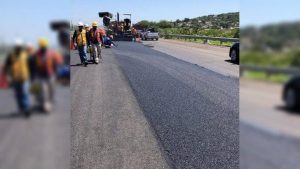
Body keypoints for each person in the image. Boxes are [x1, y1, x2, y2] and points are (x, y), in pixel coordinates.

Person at [32, 38, 63, 112]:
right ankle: (46, 104)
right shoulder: (36, 54)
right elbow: (33, 64)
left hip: (50, 74)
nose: (43, 49)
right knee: (44, 90)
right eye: (42, 47)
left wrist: (57, 73)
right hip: (41, 75)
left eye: (44, 47)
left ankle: (50, 100)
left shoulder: (51, 53)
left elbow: (57, 62)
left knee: (52, 90)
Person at [3, 39, 31, 117]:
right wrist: (8, 76)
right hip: (15, 79)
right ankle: (21, 108)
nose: (18, 48)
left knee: (25, 93)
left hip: (25, 78)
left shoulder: (25, 55)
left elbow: (30, 65)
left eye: (19, 47)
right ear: (15, 47)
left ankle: (27, 109)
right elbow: (6, 66)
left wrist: (32, 75)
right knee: (18, 95)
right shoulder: (11, 55)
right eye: (17, 47)